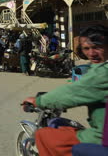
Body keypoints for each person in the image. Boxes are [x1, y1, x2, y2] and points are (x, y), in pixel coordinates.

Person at [22, 25, 108, 156]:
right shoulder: (98, 68)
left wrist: (38, 101)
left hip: (101, 137)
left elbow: (73, 93)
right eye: (87, 48)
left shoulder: (102, 72)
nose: (92, 53)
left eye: (97, 47)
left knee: (44, 135)